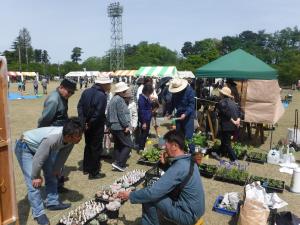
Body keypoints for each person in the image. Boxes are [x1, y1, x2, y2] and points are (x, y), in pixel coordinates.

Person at [118, 130, 205, 225]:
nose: (164, 148)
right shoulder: (188, 159)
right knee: (153, 192)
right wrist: (165, 164)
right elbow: (175, 178)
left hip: (188, 215)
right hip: (195, 210)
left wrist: (130, 195)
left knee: (148, 196)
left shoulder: (179, 167)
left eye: (166, 146)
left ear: (175, 146)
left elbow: (152, 193)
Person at [14, 117, 84, 225]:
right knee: (33, 183)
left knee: (52, 175)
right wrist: (36, 176)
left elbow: (63, 154)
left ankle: (52, 202)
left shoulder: (71, 140)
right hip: (25, 146)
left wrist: (56, 169)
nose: (80, 138)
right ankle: (39, 214)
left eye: (80, 135)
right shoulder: (52, 139)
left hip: (41, 149)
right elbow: (38, 159)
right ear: (68, 136)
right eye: (78, 136)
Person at [77, 76, 112, 179]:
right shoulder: (102, 95)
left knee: (88, 146)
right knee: (96, 148)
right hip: (96, 125)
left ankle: (86, 168)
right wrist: (90, 123)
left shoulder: (86, 92)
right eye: (108, 84)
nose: (109, 86)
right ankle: (94, 172)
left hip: (86, 124)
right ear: (103, 84)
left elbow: (80, 107)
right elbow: (98, 113)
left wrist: (83, 122)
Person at [107, 82, 132, 172]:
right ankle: (119, 163)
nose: (125, 91)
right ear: (121, 91)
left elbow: (108, 113)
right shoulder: (119, 99)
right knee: (128, 145)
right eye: (124, 90)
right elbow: (121, 114)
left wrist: (109, 125)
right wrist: (126, 126)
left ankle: (117, 162)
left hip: (113, 126)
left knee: (118, 145)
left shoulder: (113, 98)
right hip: (119, 126)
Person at [167, 78, 196, 153]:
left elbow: (192, 105)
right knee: (179, 135)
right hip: (179, 115)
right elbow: (172, 103)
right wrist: (169, 112)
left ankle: (192, 153)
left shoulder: (190, 91)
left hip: (188, 116)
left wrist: (185, 114)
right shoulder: (175, 93)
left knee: (189, 136)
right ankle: (181, 151)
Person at [214, 86, 240, 163]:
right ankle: (218, 153)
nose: (219, 94)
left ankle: (234, 159)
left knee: (227, 143)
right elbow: (239, 112)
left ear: (222, 94)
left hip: (227, 125)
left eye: (220, 93)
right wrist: (238, 120)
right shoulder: (233, 102)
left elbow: (226, 113)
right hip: (233, 126)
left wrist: (233, 121)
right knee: (224, 140)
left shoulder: (222, 102)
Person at [138, 84, 154, 152]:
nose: (150, 94)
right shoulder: (141, 99)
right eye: (150, 93)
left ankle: (142, 146)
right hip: (144, 119)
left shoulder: (145, 97)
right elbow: (142, 111)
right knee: (144, 134)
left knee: (146, 133)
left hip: (147, 118)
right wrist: (144, 122)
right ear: (147, 92)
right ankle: (141, 148)